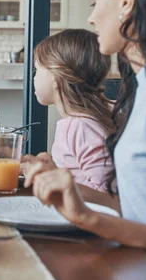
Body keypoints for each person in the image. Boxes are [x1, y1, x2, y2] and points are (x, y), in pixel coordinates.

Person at [25, 0, 146, 264]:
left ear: (125, 0)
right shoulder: (145, 86)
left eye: (94, 2)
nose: (91, 19)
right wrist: (72, 192)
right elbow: (143, 212)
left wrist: (91, 219)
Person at [23, 29, 117, 209]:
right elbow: (78, 174)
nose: (33, 77)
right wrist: (52, 167)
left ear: (55, 77)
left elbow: (107, 196)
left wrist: (52, 176)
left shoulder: (82, 126)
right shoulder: (75, 123)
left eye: (37, 70)